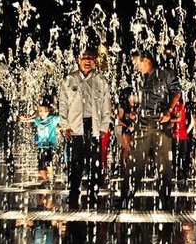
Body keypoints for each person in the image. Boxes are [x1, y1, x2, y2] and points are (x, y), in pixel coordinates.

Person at [119, 50, 182, 211]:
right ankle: (126, 196)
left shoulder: (166, 73)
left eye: (137, 63)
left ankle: (165, 199)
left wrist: (168, 110)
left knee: (164, 163)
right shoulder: (140, 78)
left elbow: (177, 92)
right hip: (143, 122)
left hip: (161, 121)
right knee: (135, 160)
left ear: (146, 60)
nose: (135, 66)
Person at [58, 47, 112, 210]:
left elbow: (106, 104)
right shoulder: (69, 79)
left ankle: (93, 194)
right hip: (75, 127)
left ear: (94, 61)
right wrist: (65, 125)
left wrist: (104, 126)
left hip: (94, 126)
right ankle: (74, 194)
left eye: (90, 58)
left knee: (94, 162)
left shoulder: (100, 80)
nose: (87, 61)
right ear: (78, 60)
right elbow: (63, 104)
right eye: (84, 57)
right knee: (76, 163)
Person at [19, 95, 61, 184]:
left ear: (48, 111)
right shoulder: (38, 120)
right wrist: (24, 119)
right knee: (41, 166)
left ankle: (51, 177)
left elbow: (63, 118)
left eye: (44, 111)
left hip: (50, 145)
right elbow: (31, 119)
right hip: (41, 145)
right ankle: (46, 180)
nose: (42, 113)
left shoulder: (53, 119)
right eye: (40, 111)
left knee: (48, 161)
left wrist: (62, 128)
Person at [116, 86, 137, 173]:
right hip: (126, 129)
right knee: (126, 148)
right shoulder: (124, 107)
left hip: (135, 129)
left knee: (136, 148)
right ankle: (125, 167)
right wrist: (127, 126)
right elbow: (119, 120)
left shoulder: (136, 106)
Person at [171, 97, 189, 184]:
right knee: (176, 155)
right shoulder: (171, 107)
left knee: (183, 154)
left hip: (182, 135)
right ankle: (178, 173)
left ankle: (185, 173)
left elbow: (178, 119)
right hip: (175, 135)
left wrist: (169, 120)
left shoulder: (181, 106)